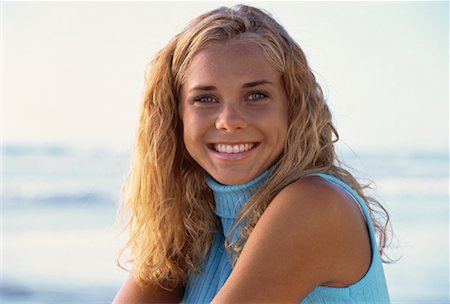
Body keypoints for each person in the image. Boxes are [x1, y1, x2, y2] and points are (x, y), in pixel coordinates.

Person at [113, 4, 391, 303]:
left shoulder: (317, 204)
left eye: (256, 95)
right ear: (176, 116)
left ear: (293, 106)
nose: (229, 121)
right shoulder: (192, 224)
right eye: (205, 98)